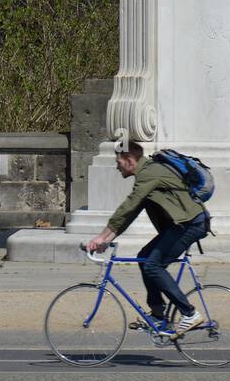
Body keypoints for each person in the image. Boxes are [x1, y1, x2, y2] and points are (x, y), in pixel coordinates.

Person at [86, 140, 211, 334]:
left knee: (153, 265)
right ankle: (158, 314)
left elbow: (128, 205)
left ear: (129, 160)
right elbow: (131, 213)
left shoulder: (148, 174)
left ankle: (189, 313)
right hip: (181, 225)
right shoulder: (146, 174)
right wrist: (106, 238)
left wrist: (101, 237)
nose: (117, 167)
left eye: (118, 162)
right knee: (144, 257)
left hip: (190, 224)